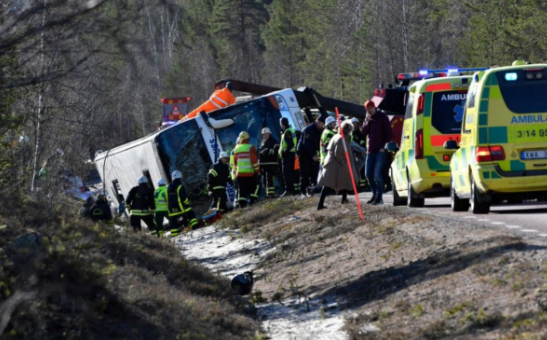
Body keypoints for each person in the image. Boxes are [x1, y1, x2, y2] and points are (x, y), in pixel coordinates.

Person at [317, 121, 360, 210]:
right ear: (347, 130)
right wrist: (343, 163)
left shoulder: (337, 136)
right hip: (336, 165)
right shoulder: (341, 139)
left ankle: (343, 200)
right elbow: (338, 153)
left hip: (332, 164)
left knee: (342, 182)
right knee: (329, 185)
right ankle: (320, 205)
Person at [361, 100, 393, 205]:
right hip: (370, 150)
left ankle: (379, 198)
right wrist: (368, 120)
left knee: (376, 174)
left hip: (380, 150)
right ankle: (374, 194)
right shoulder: (368, 118)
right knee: (368, 174)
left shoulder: (383, 117)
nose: (369, 110)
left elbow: (389, 133)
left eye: (370, 108)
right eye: (367, 109)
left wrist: (384, 146)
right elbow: (364, 132)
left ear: (374, 107)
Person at [297, 115, 325, 196]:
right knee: (305, 173)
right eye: (321, 124)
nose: (322, 126)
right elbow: (307, 144)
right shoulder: (308, 130)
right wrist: (313, 155)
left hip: (312, 154)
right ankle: (303, 192)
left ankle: (312, 190)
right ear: (318, 122)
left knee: (314, 172)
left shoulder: (319, 130)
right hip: (304, 153)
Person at [167, 170, 199, 237]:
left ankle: (175, 235)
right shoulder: (180, 186)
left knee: (173, 223)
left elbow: (167, 198)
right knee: (191, 214)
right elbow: (183, 198)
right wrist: (187, 203)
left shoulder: (168, 187)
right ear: (180, 177)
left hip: (171, 210)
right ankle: (195, 227)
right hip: (181, 208)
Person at [233, 131, 260, 208]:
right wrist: (257, 171)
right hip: (249, 173)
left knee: (241, 190)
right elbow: (254, 161)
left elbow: (235, 163)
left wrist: (235, 173)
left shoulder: (236, 149)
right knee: (252, 188)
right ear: (248, 138)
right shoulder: (250, 147)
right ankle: (252, 202)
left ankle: (242, 205)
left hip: (240, 174)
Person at [279, 117, 298, 197]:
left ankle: (289, 190)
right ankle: (292, 189)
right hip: (291, 154)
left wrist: (284, 151)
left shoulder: (287, 132)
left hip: (288, 155)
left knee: (287, 173)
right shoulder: (289, 130)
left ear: (282, 123)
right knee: (290, 172)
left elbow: (290, 144)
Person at [259, 127, 279, 198]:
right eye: (263, 135)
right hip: (264, 164)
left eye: (266, 134)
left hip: (271, 163)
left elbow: (277, 150)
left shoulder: (274, 141)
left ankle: (272, 193)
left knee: (270, 178)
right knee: (265, 180)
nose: (265, 136)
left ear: (269, 134)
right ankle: (268, 194)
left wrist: (269, 151)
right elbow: (260, 152)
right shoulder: (262, 143)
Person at [351, 117, 368, 191]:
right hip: (352, 154)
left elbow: (362, 143)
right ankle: (356, 185)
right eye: (353, 124)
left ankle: (363, 185)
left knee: (361, 170)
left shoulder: (360, 134)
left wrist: (361, 148)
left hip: (360, 154)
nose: (354, 126)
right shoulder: (349, 134)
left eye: (355, 124)